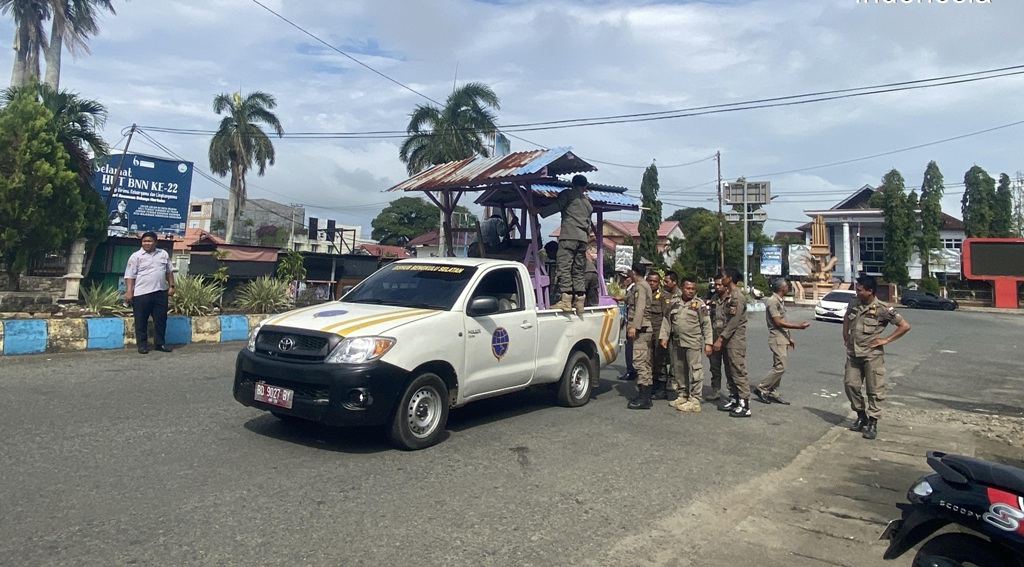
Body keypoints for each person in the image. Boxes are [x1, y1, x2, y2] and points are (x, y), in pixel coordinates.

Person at [843, 274, 910, 440]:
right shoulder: (854, 303)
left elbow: (904, 326)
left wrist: (886, 339)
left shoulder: (883, 308)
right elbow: (847, 317)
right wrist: (845, 335)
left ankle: (872, 422)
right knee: (850, 385)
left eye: (859, 290)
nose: (856, 292)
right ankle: (861, 415)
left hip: (872, 355)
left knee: (874, 389)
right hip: (853, 353)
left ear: (870, 291)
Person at [752, 278, 811, 406]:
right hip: (776, 337)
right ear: (782, 288)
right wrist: (798, 326)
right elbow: (778, 322)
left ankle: (773, 391)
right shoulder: (773, 301)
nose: (788, 288)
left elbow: (783, 321)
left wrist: (789, 337)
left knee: (778, 365)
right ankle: (762, 388)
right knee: (781, 367)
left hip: (782, 337)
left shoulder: (779, 301)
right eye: (787, 286)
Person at [660, 274, 712, 413]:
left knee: (695, 371)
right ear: (682, 288)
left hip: (693, 342)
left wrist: (708, 343)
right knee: (679, 370)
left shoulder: (699, 305)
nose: (690, 291)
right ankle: (683, 394)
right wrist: (663, 337)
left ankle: (695, 400)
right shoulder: (674, 302)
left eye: (693, 288)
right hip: (677, 342)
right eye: (688, 288)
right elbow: (667, 321)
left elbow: (706, 324)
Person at [546, 174, 593, 313]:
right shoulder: (588, 204)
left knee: (564, 266)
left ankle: (566, 300)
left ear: (573, 184)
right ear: (585, 187)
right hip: (583, 239)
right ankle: (580, 300)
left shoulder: (568, 194)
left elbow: (557, 206)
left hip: (569, 236)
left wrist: (539, 211)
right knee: (578, 269)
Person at [124, 231, 175, 354]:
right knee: (141, 321)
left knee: (161, 320)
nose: (147, 243)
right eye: (144, 241)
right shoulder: (136, 256)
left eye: (150, 241)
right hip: (142, 294)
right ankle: (142, 345)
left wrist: (172, 286)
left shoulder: (163, 254)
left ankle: (160, 344)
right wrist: (129, 292)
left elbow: (169, 271)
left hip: (160, 292)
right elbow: (130, 276)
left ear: (155, 242)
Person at [714, 268, 751, 417]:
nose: (721, 279)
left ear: (729, 278)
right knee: (729, 371)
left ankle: (744, 404)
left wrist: (721, 338)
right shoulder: (728, 296)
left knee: (738, 371)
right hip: (727, 340)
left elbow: (733, 322)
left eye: (723, 276)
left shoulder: (737, 297)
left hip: (735, 340)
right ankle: (734, 399)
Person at [625, 262, 654, 409]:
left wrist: (633, 326)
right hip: (644, 328)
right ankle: (646, 396)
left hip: (641, 329)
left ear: (634, 272)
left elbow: (640, 307)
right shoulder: (642, 286)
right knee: (645, 363)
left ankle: (644, 398)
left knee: (640, 362)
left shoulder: (640, 287)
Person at [646, 271, 672, 400]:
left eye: (654, 281)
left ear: (658, 282)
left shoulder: (664, 296)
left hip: (658, 331)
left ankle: (661, 387)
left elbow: (666, 317)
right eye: (649, 280)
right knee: (647, 359)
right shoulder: (644, 294)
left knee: (660, 360)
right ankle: (650, 385)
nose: (651, 283)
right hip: (646, 331)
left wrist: (664, 336)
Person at [704, 276, 728, 401]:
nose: (717, 287)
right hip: (714, 335)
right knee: (714, 366)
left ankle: (734, 393)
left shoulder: (731, 299)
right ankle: (715, 389)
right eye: (716, 285)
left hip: (728, 337)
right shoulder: (713, 298)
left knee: (731, 367)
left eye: (720, 285)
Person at [616, 269, 636, 381]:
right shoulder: (629, 289)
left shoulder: (633, 289)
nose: (623, 281)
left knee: (630, 348)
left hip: (633, 322)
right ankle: (631, 370)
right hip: (628, 320)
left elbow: (632, 303)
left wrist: (622, 298)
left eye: (625, 278)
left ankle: (631, 371)